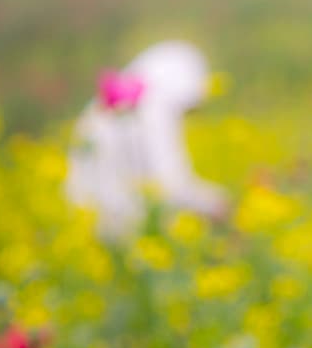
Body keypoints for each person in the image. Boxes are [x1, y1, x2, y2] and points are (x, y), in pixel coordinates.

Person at [66, 40, 228, 239]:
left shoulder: (100, 110)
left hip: (86, 224)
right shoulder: (153, 108)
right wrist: (215, 203)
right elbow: (172, 185)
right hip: (126, 227)